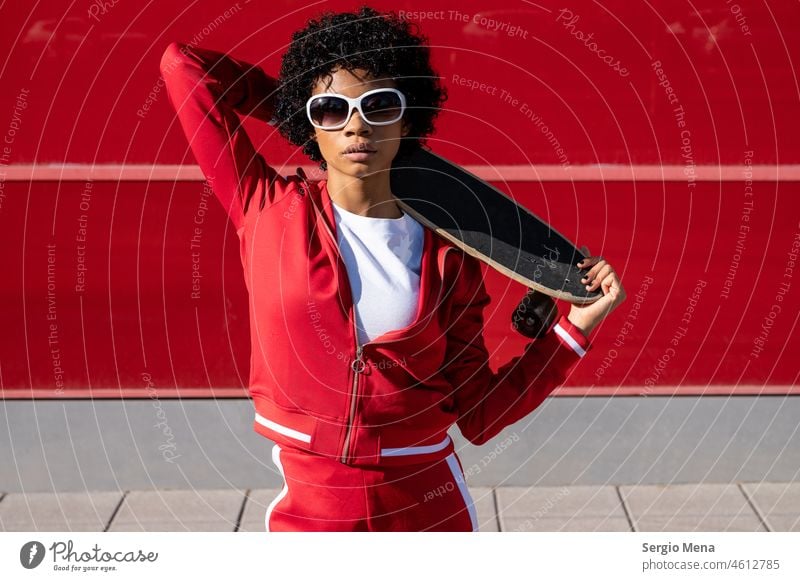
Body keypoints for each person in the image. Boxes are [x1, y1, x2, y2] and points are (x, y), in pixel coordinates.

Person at [160, 4, 626, 532]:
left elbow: (480, 415)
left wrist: (574, 331)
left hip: (428, 510)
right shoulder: (265, 208)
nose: (357, 124)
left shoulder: (451, 259)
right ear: (309, 123)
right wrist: (293, 108)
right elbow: (183, 66)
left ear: (407, 120)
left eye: (379, 106)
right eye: (333, 110)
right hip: (310, 514)